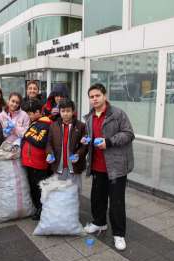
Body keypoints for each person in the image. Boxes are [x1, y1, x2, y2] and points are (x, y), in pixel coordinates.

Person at [82, 83, 135, 251]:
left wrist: (109, 141)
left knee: (117, 202)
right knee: (97, 198)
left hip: (116, 167)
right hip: (97, 165)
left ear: (104, 96)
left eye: (97, 95)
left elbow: (129, 134)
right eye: (91, 97)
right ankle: (99, 223)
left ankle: (119, 234)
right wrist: (86, 141)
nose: (94, 99)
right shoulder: (89, 117)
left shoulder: (117, 114)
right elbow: (90, 138)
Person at [21, 99, 52, 220]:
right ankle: (38, 208)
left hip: (39, 163)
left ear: (38, 112)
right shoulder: (34, 123)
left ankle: (42, 210)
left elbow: (40, 141)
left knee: (39, 187)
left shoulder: (46, 124)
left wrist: (28, 134)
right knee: (33, 187)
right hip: (30, 162)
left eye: (30, 113)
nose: (28, 116)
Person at [45, 99, 87, 189]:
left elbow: (85, 144)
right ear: (59, 112)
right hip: (58, 165)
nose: (65, 113)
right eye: (63, 111)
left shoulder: (81, 126)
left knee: (75, 192)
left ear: (73, 111)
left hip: (75, 166)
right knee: (60, 192)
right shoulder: (53, 126)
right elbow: (49, 143)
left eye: (68, 111)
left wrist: (78, 154)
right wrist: (50, 154)